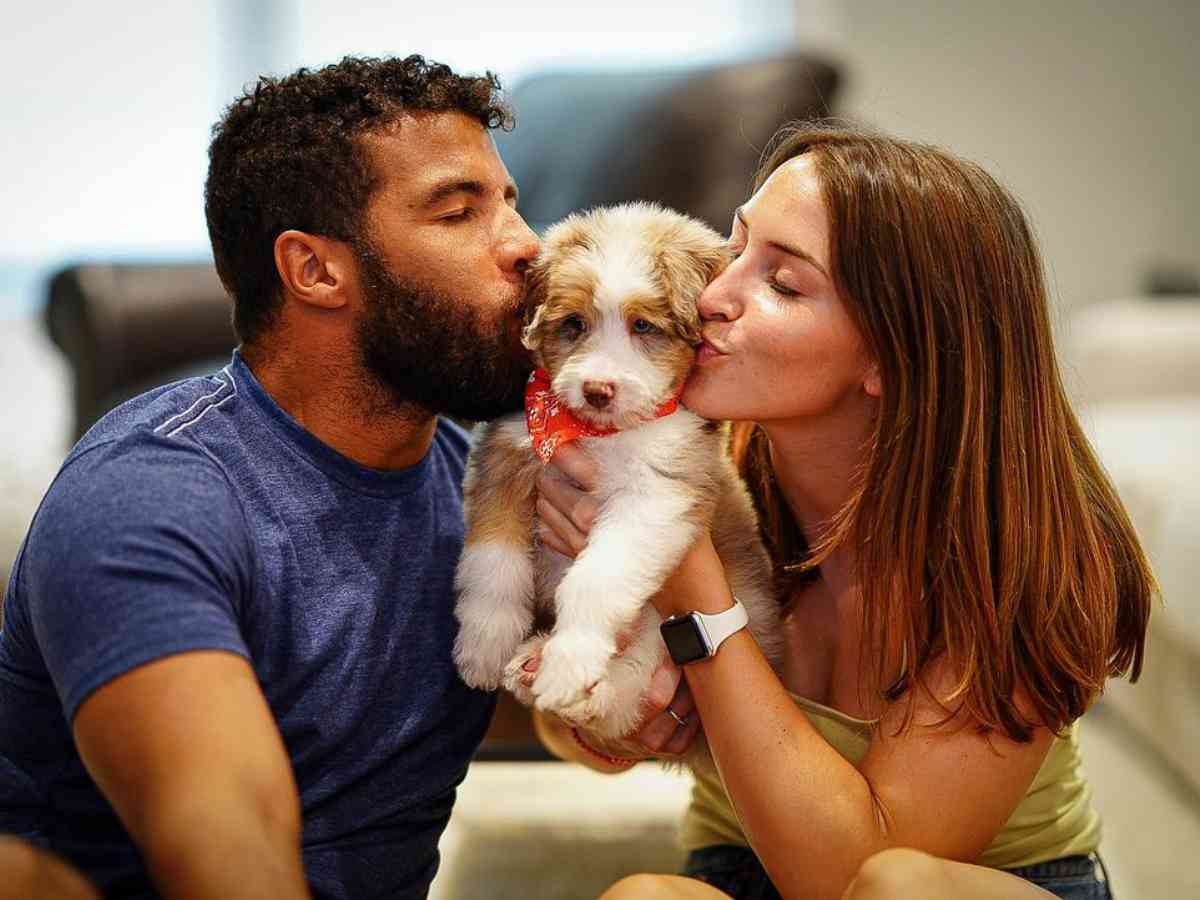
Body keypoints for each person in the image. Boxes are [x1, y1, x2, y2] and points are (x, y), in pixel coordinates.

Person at [530, 122, 1155, 900]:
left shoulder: (1021, 550)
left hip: (971, 885)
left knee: (897, 888)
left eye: (783, 285)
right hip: (737, 868)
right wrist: (602, 722)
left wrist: (692, 583)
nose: (713, 296)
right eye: (737, 245)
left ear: (891, 358)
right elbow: (562, 705)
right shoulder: (688, 458)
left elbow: (849, 879)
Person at [0, 55, 539, 899]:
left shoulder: (476, 489)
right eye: (459, 211)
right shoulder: (152, 498)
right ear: (316, 270)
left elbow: (543, 710)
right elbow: (233, 849)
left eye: (509, 203)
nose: (526, 245)